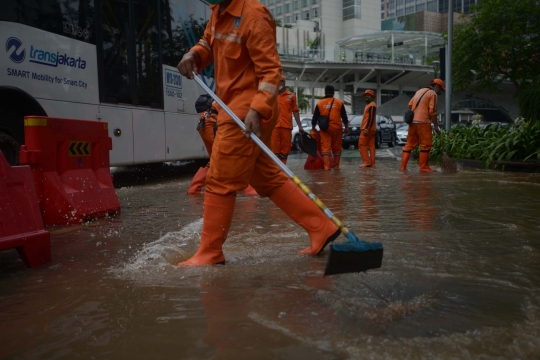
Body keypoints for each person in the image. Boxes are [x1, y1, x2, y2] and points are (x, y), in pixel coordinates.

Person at [176, 0, 340, 266]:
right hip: (233, 106)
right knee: (266, 177)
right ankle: (320, 227)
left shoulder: (254, 16)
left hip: (246, 110)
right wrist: (195, 54)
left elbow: (271, 70)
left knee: (219, 179)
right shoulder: (219, 12)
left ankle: (210, 252)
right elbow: (208, 41)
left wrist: (258, 108)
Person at [400, 79, 445, 172]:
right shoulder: (433, 94)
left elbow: (410, 105)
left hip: (412, 123)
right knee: (426, 145)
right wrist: (436, 125)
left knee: (409, 145)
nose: (440, 91)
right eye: (440, 89)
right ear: (437, 86)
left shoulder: (419, 91)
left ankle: (403, 168)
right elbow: (432, 111)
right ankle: (423, 167)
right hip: (423, 122)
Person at [312, 85, 349, 170]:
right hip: (337, 129)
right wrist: (346, 128)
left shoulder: (320, 103)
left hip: (325, 129)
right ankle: (336, 167)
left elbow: (314, 118)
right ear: (333, 93)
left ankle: (327, 168)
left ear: (324, 92)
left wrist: (313, 128)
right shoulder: (339, 103)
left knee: (325, 149)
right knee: (337, 149)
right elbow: (344, 117)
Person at [187, 98, 218, 194]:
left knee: (216, 158)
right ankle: (251, 191)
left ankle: (194, 188)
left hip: (206, 122)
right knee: (222, 157)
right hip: (209, 123)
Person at [272, 75, 303, 164]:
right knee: (275, 150)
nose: (278, 84)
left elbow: (295, 111)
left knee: (285, 151)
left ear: (283, 82)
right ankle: (276, 172)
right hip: (275, 127)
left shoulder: (291, 96)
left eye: (279, 82)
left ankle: (283, 171)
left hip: (286, 127)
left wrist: (300, 126)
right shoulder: (273, 95)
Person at [358, 89, 377, 168]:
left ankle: (366, 162)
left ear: (372, 97)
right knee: (371, 145)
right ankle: (372, 163)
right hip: (371, 129)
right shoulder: (370, 105)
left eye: (368, 96)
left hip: (367, 129)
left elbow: (371, 118)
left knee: (361, 145)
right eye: (366, 95)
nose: (366, 97)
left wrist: (366, 128)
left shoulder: (371, 105)